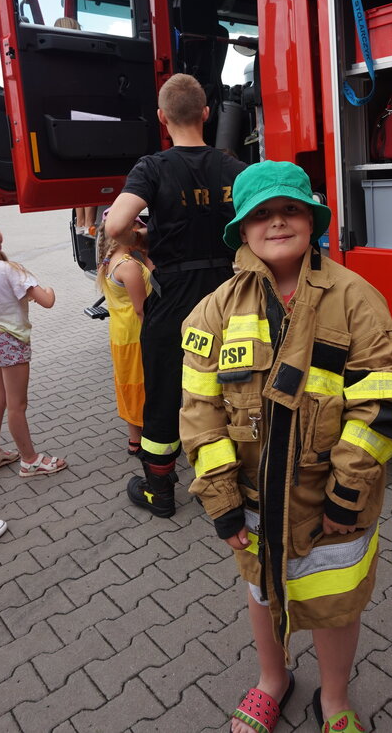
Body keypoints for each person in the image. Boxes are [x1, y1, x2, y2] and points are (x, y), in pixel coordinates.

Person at [179, 161, 392, 733]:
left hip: (334, 505)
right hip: (253, 501)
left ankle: (334, 697)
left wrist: (346, 495)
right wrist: (222, 501)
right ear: (242, 230)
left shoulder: (357, 299)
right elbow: (199, 412)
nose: (278, 222)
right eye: (261, 214)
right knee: (262, 592)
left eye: (291, 209)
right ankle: (273, 679)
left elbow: (380, 405)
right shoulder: (215, 309)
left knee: (337, 601)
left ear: (313, 220)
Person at [105, 73, 246, 518]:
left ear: (162, 118)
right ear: (206, 114)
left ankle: (159, 491)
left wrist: (141, 240)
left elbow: (115, 225)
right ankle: (234, 480)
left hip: (176, 300)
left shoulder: (152, 167)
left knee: (165, 393)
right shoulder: (235, 168)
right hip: (230, 296)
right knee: (233, 388)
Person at [0, 224, 67, 477]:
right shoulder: (11, 270)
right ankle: (30, 460)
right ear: (0, 239)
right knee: (17, 405)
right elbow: (47, 301)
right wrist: (50, 291)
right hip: (11, 340)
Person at [97, 216, 152, 456]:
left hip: (120, 334)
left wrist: (146, 254)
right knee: (142, 384)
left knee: (128, 384)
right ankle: (150, 437)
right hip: (135, 334)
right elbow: (141, 308)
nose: (141, 233)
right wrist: (152, 337)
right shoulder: (128, 266)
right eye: (138, 229)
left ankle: (134, 439)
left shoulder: (109, 261)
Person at [53, 17, 97, 235]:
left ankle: (81, 223)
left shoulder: (51, 61)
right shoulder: (84, 59)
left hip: (63, 125)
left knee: (78, 174)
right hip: (85, 119)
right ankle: (90, 224)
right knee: (92, 174)